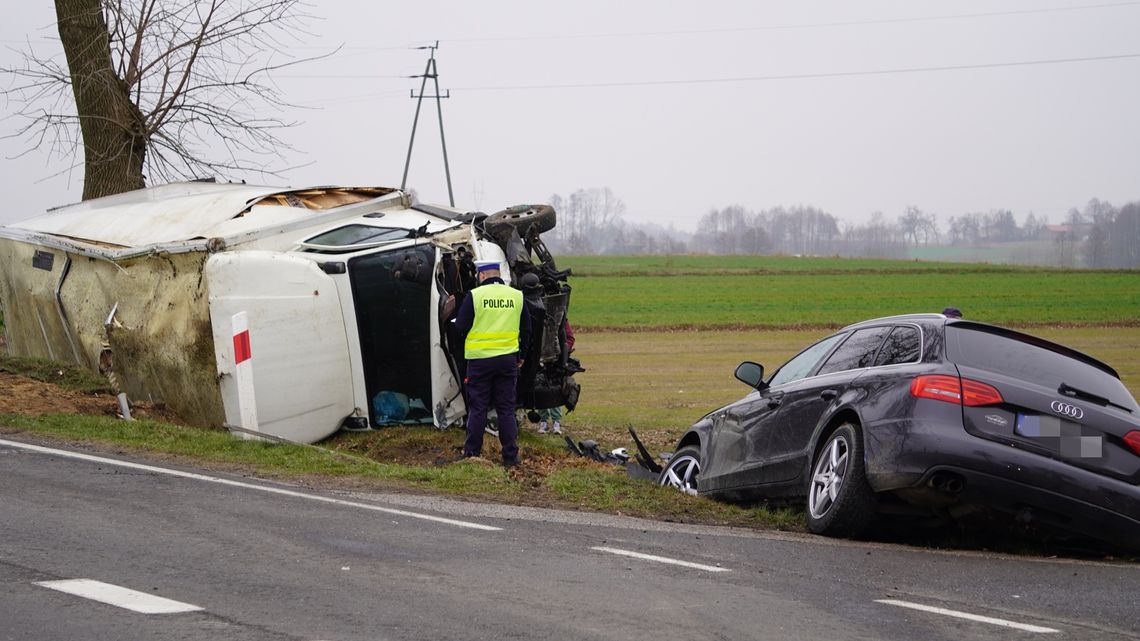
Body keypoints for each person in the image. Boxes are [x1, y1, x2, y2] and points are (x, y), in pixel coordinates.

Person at [455, 259, 530, 466]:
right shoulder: (516, 296)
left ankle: (472, 454)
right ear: (498, 274)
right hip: (507, 361)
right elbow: (527, 330)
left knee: (478, 408)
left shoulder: (476, 296)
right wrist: (521, 356)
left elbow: (460, 326)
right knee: (506, 409)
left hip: (480, 361)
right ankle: (510, 456)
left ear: (482, 275)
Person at [537, 319, 574, 435]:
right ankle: (543, 421)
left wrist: (563, 351)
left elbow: (569, 338)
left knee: (555, 390)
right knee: (539, 389)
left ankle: (556, 422)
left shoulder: (561, 318)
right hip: (540, 359)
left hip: (556, 360)